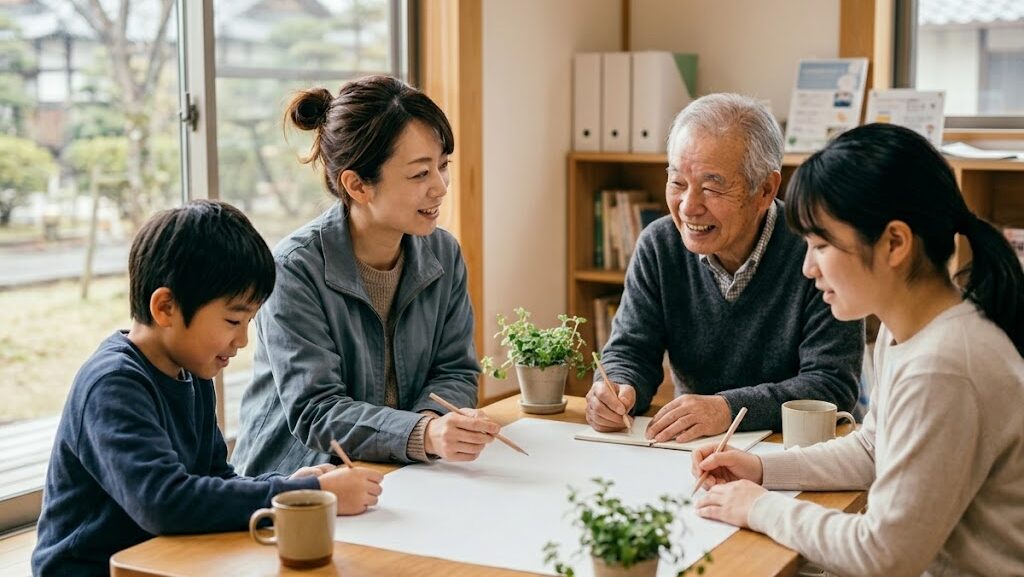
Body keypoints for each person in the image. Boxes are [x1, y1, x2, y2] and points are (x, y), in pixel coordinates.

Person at [691, 124, 1024, 576]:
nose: (808, 267)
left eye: (822, 245)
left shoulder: (943, 367)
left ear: (894, 244)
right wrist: (761, 469)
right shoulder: (905, 328)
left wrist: (759, 508)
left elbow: (884, 555)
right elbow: (873, 449)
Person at [31, 200, 383, 577]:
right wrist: (314, 493)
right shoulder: (113, 384)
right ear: (165, 307)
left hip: (169, 559)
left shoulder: (192, 375)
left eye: (249, 321)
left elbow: (215, 479)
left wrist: (289, 487)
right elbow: (164, 502)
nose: (243, 341)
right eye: (233, 320)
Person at [232, 75, 498, 474]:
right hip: (298, 484)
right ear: (357, 185)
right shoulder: (293, 269)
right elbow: (316, 410)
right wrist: (424, 434)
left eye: (443, 166)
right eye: (419, 174)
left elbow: (455, 370)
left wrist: (432, 427)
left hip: (397, 470)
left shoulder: (443, 253)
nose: (441, 187)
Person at [586, 93, 863, 442]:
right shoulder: (659, 245)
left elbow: (831, 384)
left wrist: (728, 409)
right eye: (677, 182)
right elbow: (630, 351)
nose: (688, 207)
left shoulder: (817, 250)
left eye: (710, 187)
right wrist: (617, 389)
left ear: (765, 190)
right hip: (699, 448)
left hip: (803, 450)